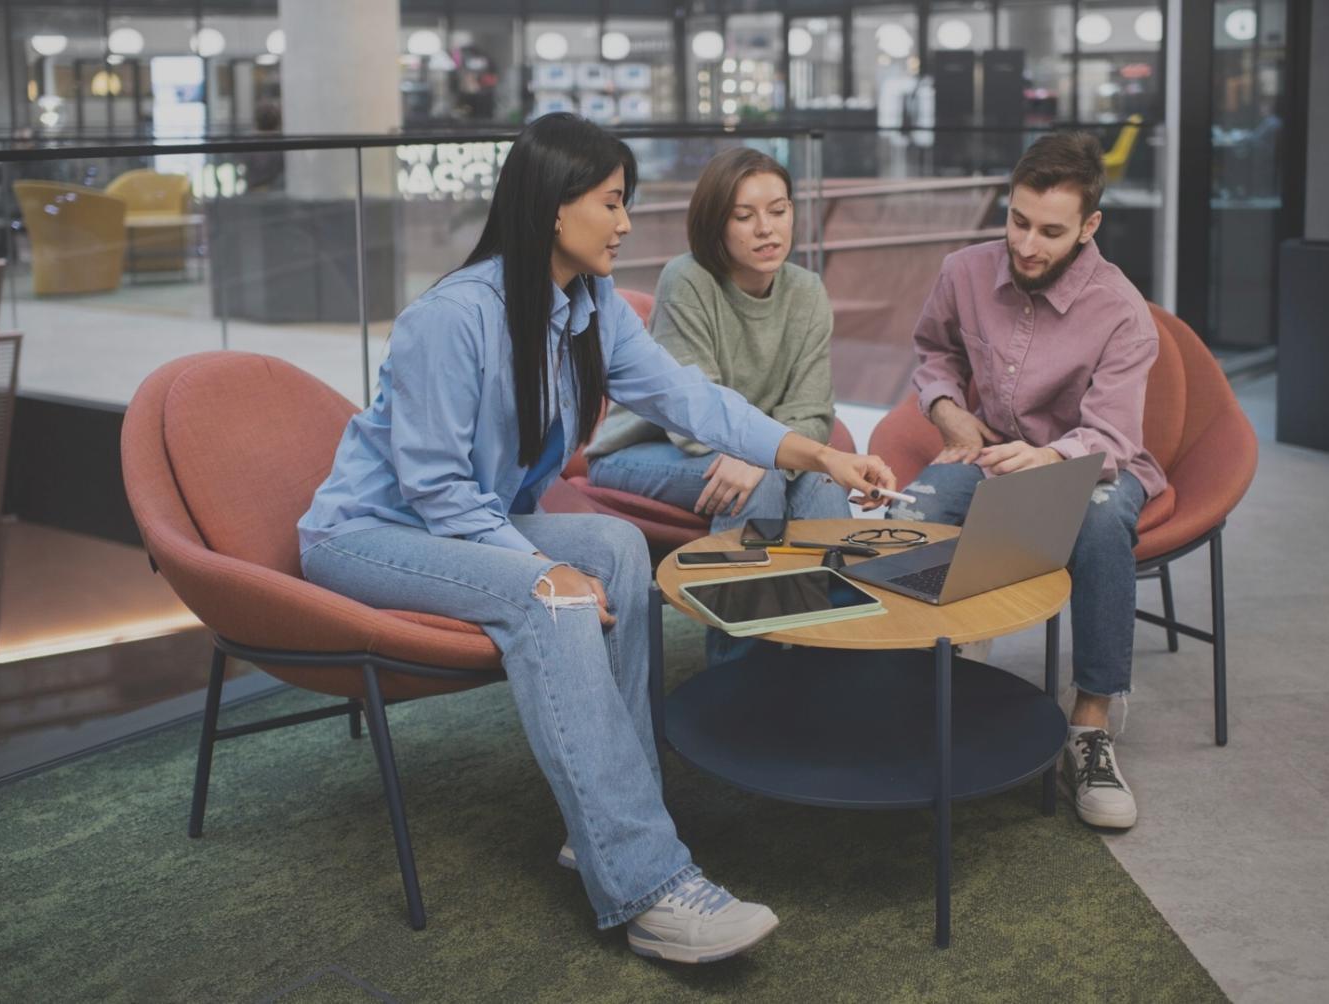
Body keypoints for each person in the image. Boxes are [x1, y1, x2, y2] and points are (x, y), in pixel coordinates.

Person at [297, 113, 896, 963]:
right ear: (552, 209)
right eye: (611, 204)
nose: (624, 224)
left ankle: (609, 827)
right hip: (367, 533)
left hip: (467, 520)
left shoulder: (589, 305)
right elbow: (433, 490)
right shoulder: (451, 319)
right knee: (552, 600)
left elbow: (692, 401)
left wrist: (821, 452)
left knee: (614, 549)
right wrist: (540, 569)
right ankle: (650, 887)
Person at [890, 131, 1165, 831]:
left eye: (1050, 231)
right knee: (908, 517)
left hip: (1090, 465)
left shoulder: (1124, 313)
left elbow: (1111, 437)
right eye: (1018, 222)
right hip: (988, 455)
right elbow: (934, 352)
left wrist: (1046, 459)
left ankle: (1091, 728)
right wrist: (948, 410)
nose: (1029, 245)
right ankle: (911, 686)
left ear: (1089, 227)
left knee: (1101, 522)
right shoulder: (963, 271)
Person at [581, 147, 851, 664]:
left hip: (750, 453)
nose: (766, 229)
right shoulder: (688, 279)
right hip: (642, 453)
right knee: (769, 477)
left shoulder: (807, 292)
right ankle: (737, 671)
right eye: (744, 216)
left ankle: (826, 660)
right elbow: (687, 419)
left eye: (778, 210)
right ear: (715, 223)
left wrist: (766, 453)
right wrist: (764, 455)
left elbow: (814, 413)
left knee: (821, 478)